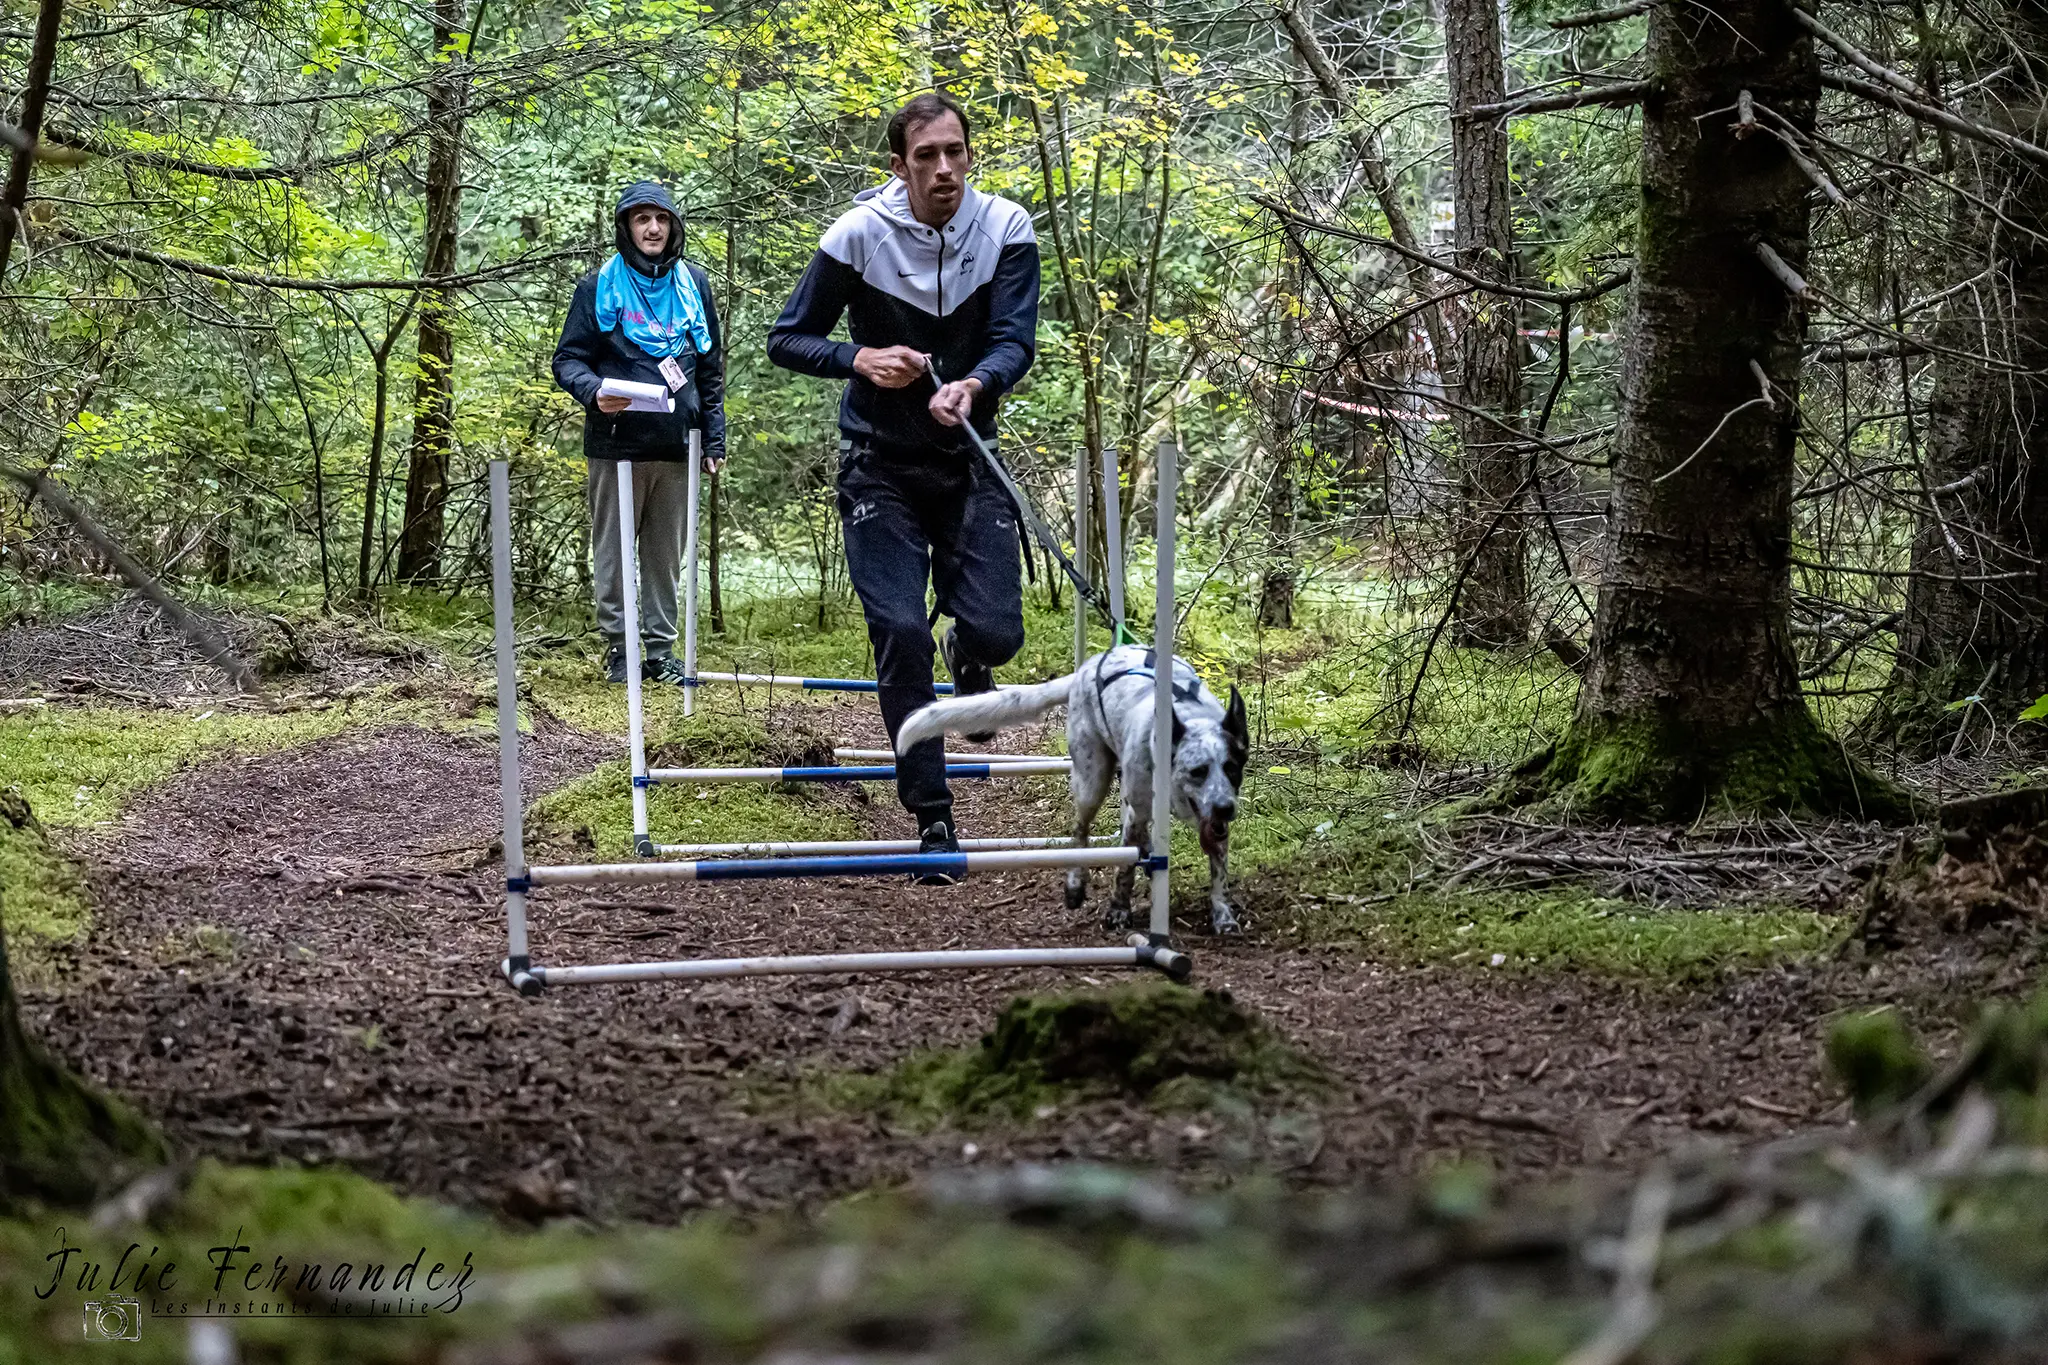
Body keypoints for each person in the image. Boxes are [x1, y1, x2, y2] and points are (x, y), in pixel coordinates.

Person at [767, 92, 1040, 880]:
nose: (945, 168)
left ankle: (972, 649)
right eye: (927, 156)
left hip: (968, 456)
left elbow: (1014, 341)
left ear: (970, 155)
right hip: (876, 463)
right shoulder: (856, 235)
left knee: (997, 633)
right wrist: (860, 359)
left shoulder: (1007, 228)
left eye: (956, 151)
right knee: (899, 630)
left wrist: (977, 385)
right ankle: (933, 816)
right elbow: (787, 338)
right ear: (899, 165)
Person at [553, 180, 726, 684]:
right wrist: (592, 392)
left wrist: (713, 439)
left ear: (674, 227)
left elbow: (710, 370)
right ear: (626, 228)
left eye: (661, 219)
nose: (653, 228)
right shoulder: (595, 288)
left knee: (664, 557)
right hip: (617, 444)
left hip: (679, 444)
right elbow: (568, 360)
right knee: (612, 550)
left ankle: (660, 652)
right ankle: (619, 649)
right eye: (641, 219)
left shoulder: (696, 285)